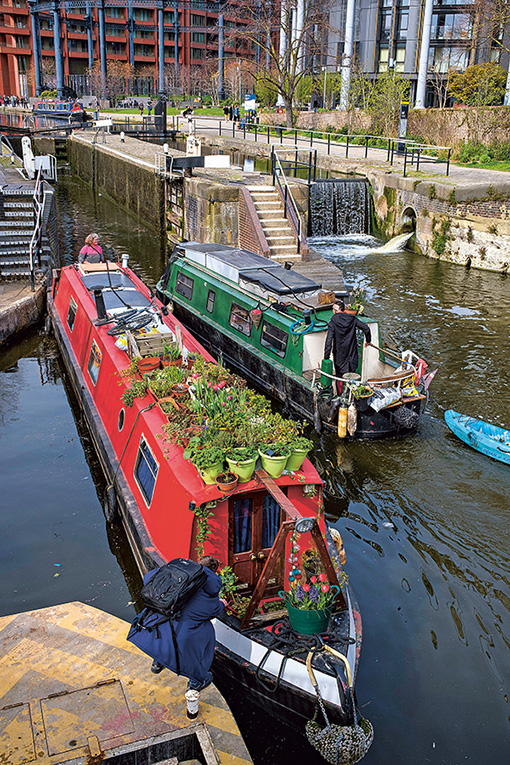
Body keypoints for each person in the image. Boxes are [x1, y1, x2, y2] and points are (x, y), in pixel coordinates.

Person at [136, 556, 225, 691]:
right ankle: (196, 681)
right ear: (214, 573)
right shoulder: (206, 593)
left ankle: (158, 662)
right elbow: (212, 612)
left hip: (156, 624)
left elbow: (148, 578)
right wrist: (222, 604)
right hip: (182, 634)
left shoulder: (178, 575)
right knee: (206, 634)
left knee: (165, 628)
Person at [324, 300, 371, 395]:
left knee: (340, 377)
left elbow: (328, 341)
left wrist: (326, 357)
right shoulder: (352, 319)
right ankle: (351, 395)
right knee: (352, 375)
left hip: (340, 356)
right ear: (344, 309)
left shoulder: (332, 322)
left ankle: (341, 396)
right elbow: (366, 328)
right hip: (352, 354)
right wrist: (368, 341)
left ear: (334, 311)